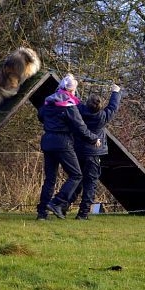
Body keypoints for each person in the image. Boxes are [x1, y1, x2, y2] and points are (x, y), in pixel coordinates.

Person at [36, 74, 102, 220]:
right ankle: (57, 203)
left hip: (47, 141)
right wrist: (93, 139)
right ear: (72, 90)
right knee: (76, 175)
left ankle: (42, 213)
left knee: (50, 179)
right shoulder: (69, 105)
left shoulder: (48, 101)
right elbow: (80, 127)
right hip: (63, 142)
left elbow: (40, 116)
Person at [69, 83, 122, 220]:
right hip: (93, 154)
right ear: (99, 107)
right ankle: (83, 214)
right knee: (90, 183)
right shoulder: (102, 117)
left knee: (75, 180)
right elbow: (113, 107)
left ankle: (63, 206)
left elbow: (75, 100)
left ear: (86, 104)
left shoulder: (79, 111)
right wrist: (115, 91)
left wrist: (73, 88)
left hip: (78, 151)